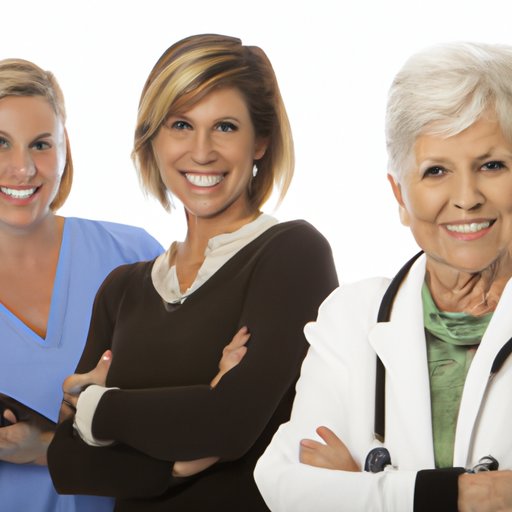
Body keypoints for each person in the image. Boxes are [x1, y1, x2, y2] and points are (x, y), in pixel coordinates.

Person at [47, 33, 338, 511]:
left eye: (225, 127)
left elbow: (229, 425)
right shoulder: (122, 289)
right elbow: (67, 462)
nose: (202, 152)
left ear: (260, 141)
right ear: (153, 139)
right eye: (181, 125)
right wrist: (177, 462)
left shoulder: (292, 254)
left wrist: (97, 406)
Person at [255, 41, 512, 512]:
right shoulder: (352, 316)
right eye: (436, 171)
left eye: (491, 165)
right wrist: (465, 494)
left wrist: (364, 487)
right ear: (400, 195)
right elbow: (286, 486)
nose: (466, 197)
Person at [0, 59, 163, 511]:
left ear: (64, 149)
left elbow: (193, 425)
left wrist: (47, 445)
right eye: (0, 143)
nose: (22, 169)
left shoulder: (134, 256)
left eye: (40, 144)